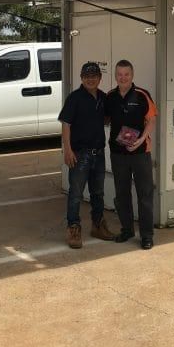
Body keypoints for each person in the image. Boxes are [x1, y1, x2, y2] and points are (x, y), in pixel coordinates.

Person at [58, 62, 115, 249]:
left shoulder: (103, 97)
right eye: (87, 76)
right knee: (76, 194)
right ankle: (73, 228)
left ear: (100, 78)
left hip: (98, 154)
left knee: (98, 193)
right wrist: (68, 150)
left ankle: (98, 226)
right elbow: (66, 124)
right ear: (82, 78)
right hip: (79, 155)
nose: (91, 79)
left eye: (94, 76)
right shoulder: (74, 98)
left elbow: (107, 118)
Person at [105, 59, 157, 250]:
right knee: (122, 194)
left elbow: (152, 120)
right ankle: (127, 230)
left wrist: (141, 140)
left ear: (132, 75)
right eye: (119, 74)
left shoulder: (142, 95)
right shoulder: (110, 97)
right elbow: (105, 119)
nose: (123, 78)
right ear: (115, 76)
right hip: (118, 154)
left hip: (140, 153)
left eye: (126, 74)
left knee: (145, 194)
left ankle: (146, 236)